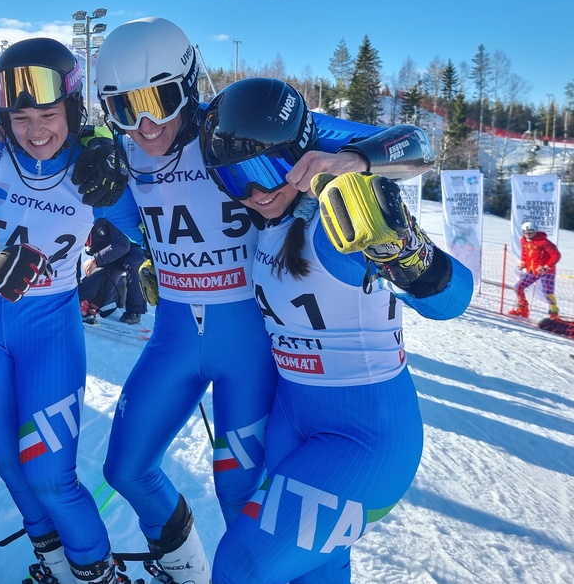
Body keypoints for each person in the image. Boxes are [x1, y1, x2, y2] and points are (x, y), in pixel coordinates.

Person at [74, 17, 435, 584]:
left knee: (243, 503)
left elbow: (415, 146)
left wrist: (353, 161)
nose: (145, 125)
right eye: (124, 108)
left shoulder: (242, 127)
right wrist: (110, 201)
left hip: (251, 349)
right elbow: (140, 223)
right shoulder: (123, 150)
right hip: (174, 337)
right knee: (124, 467)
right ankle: (184, 566)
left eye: (160, 101)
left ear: (190, 83)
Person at [200, 77, 473, 583]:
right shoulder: (268, 221)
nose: (256, 194)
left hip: (365, 438)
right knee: (317, 571)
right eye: (235, 181)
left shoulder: (335, 219)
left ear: (302, 155)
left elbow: (455, 300)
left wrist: (410, 255)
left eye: (267, 171)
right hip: (294, 418)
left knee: (240, 566)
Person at [0, 37, 137, 584]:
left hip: (52, 331)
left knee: (51, 477)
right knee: (8, 466)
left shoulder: (90, 166)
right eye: (20, 117)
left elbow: (150, 231)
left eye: (48, 114)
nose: (36, 130)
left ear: (71, 106)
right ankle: (56, 566)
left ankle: (98, 573)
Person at [79, 217, 148, 325]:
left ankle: (135, 311)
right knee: (98, 278)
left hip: (128, 250)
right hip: (108, 255)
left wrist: (96, 260)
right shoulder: (79, 218)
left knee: (136, 262)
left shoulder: (105, 216)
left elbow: (123, 245)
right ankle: (92, 304)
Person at [509, 221, 562, 319]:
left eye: (530, 232)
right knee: (518, 287)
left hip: (547, 271)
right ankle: (523, 309)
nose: (528, 235)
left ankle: (554, 314)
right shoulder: (523, 240)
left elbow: (556, 255)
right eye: (526, 232)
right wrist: (523, 262)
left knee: (548, 293)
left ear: (535, 231)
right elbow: (525, 253)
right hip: (533, 270)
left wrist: (546, 266)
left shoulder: (544, 242)